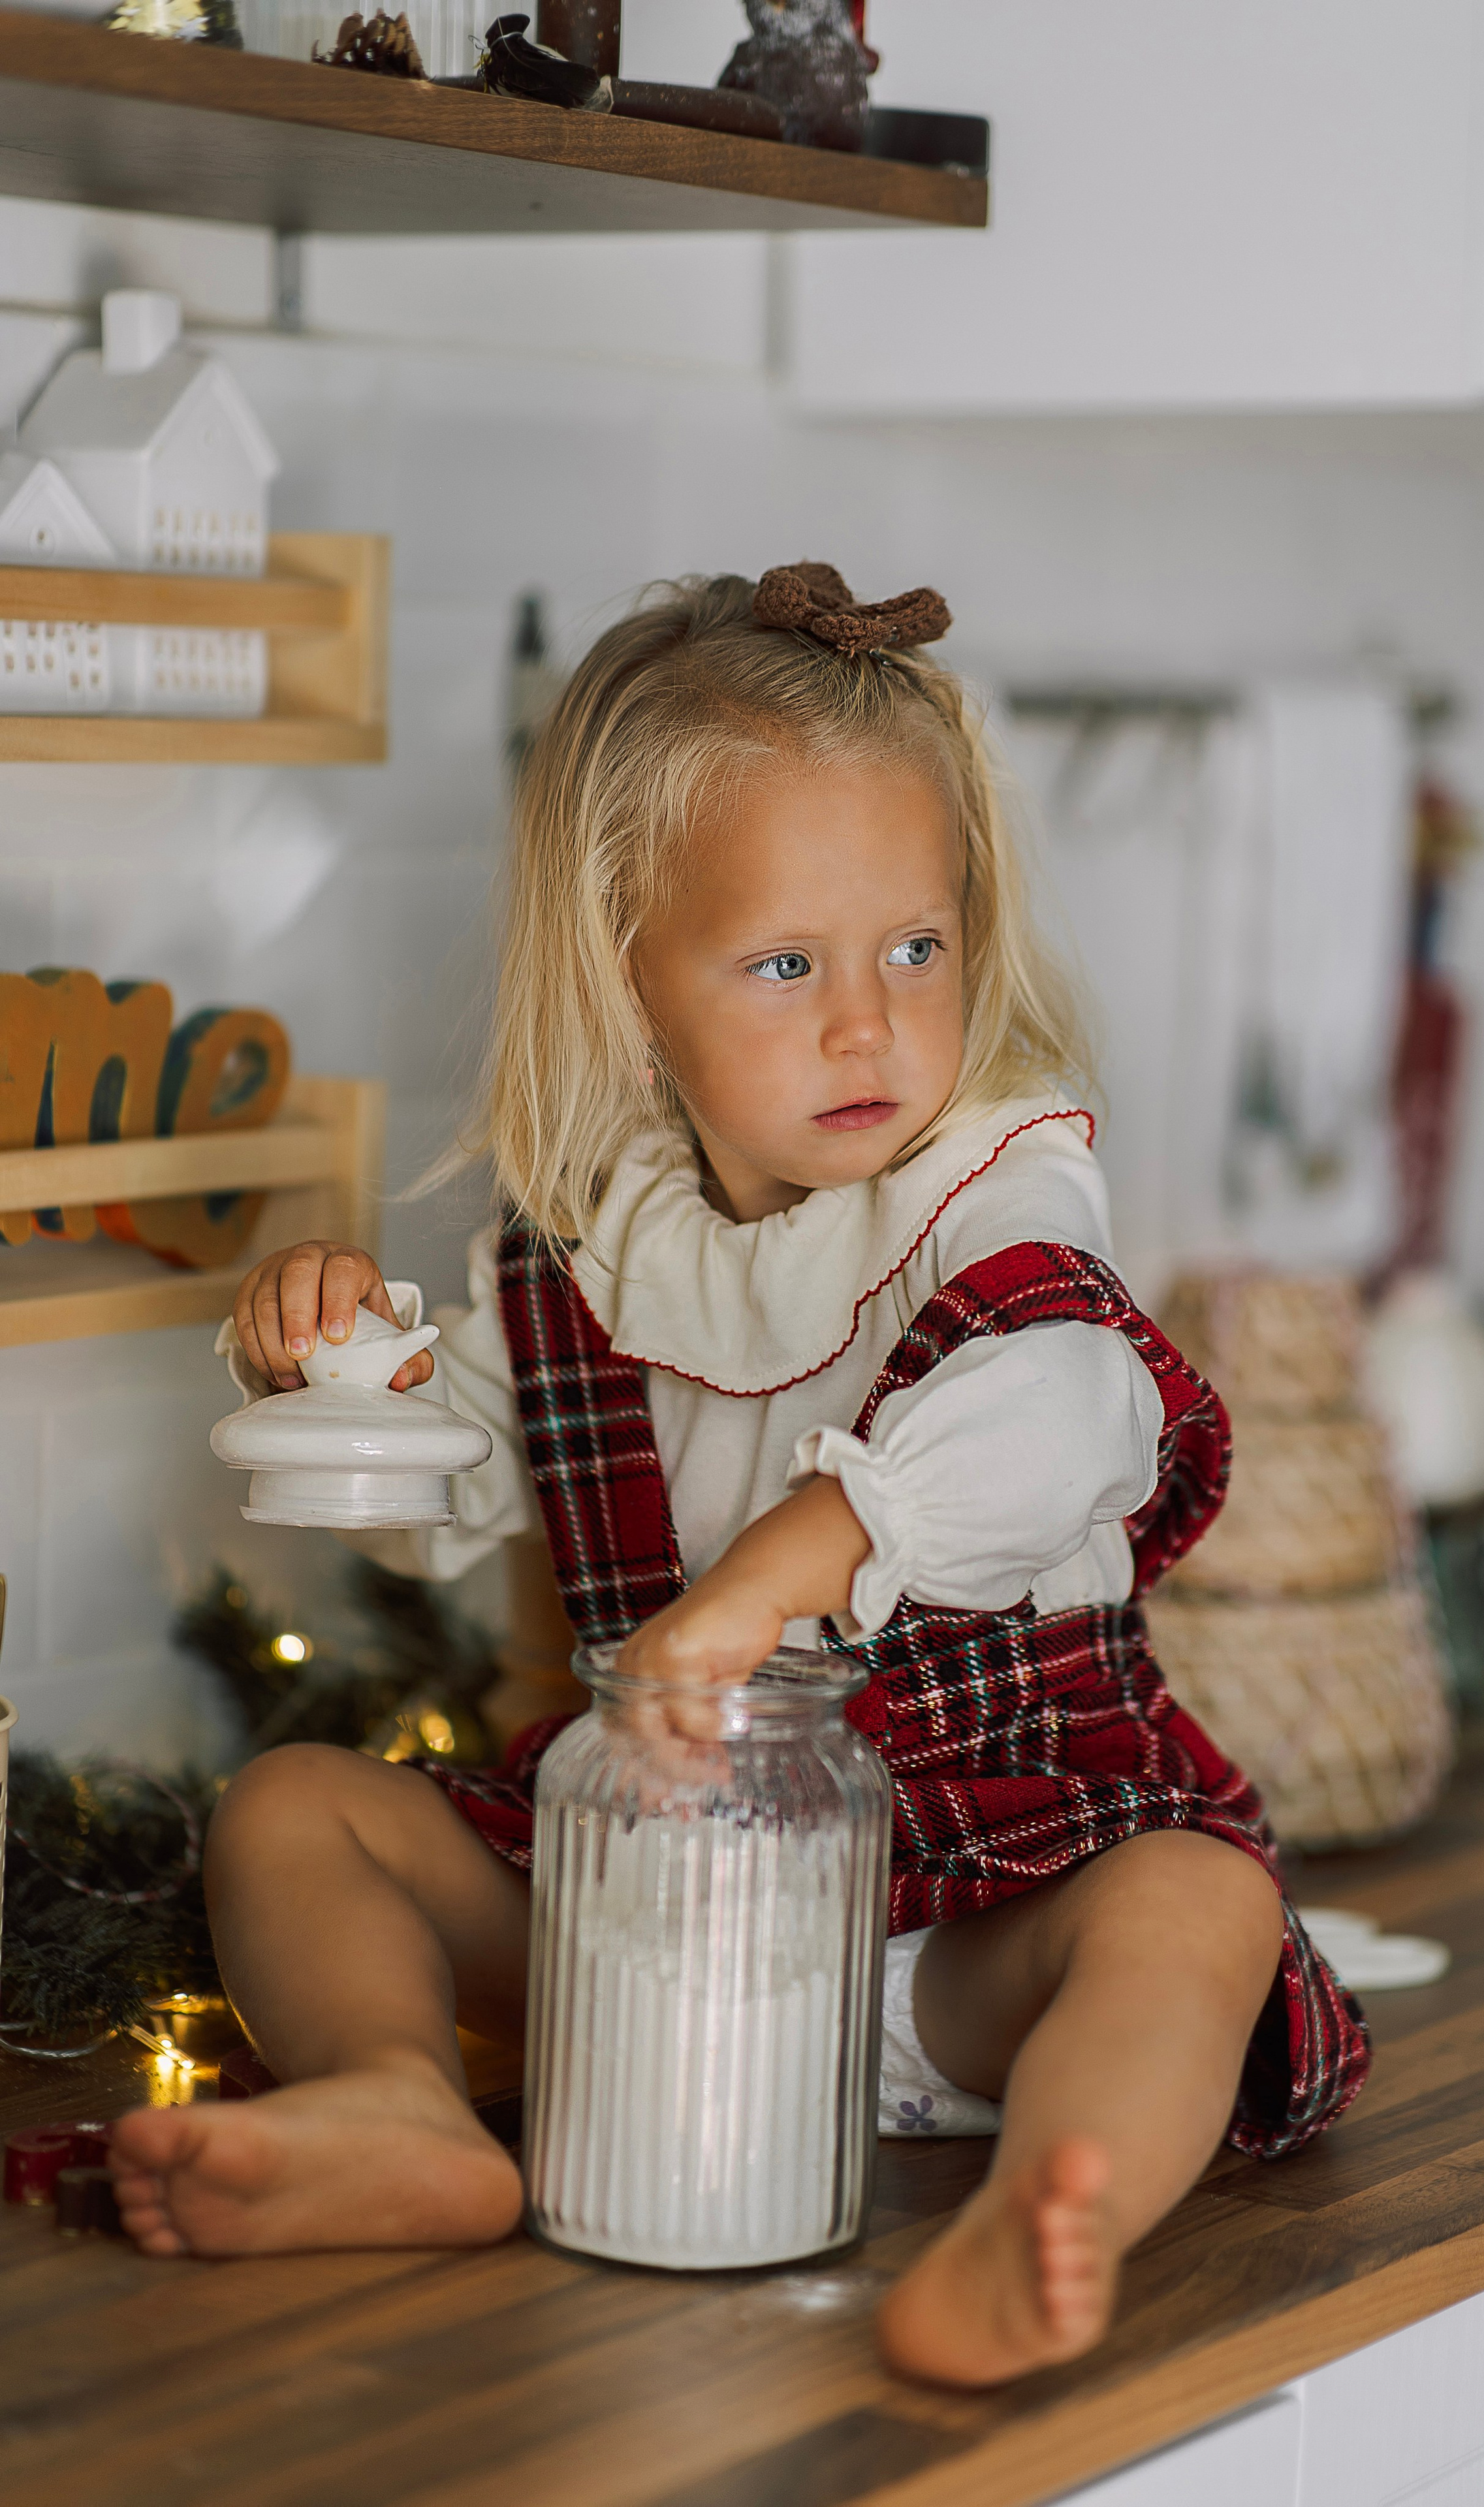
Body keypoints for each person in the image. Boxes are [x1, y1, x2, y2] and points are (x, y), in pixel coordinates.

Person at [108, 564, 1369, 2387]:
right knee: (299, 1814)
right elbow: (432, 1482)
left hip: (987, 1906)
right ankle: (398, 2107)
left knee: (1203, 1909)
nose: (868, 1026)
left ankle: (1056, 2197)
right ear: (631, 977)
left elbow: (1076, 1405)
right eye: (786, 965)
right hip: (658, 1933)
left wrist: (770, 1577)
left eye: (912, 950)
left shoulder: (996, 1186)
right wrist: (323, 1362)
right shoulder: (592, 1246)